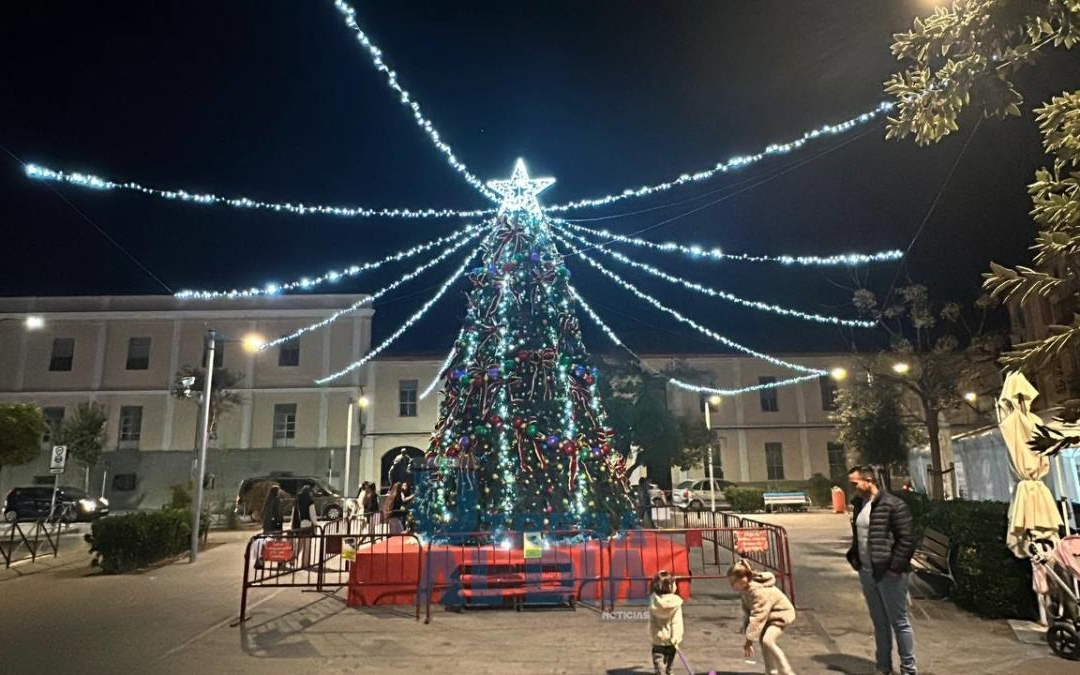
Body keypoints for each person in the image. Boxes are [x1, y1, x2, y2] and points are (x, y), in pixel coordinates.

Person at [846, 465, 917, 675]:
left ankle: (908, 669)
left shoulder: (893, 505)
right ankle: (883, 666)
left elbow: (907, 539)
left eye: (855, 482)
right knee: (879, 622)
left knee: (899, 621)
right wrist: (855, 558)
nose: (853, 487)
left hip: (889, 572)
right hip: (867, 571)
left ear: (868, 480)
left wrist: (894, 567)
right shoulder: (860, 504)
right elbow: (860, 535)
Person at [727, 559, 796, 675]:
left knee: (767, 641)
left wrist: (749, 640)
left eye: (733, 582)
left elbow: (758, 616)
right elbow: (748, 612)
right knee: (763, 643)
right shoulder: (746, 591)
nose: (731, 585)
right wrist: (747, 633)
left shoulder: (758, 592)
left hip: (781, 614)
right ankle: (770, 671)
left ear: (743, 579)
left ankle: (786, 671)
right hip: (768, 615)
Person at [648, 570, 683, 675]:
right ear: (670, 587)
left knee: (658, 656)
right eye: (674, 583)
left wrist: (653, 635)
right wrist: (676, 637)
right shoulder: (675, 603)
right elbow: (676, 622)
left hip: (658, 638)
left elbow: (652, 621)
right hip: (671, 639)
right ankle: (668, 671)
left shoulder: (653, 601)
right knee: (670, 657)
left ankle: (660, 672)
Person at [255, 484, 283, 570]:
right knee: (277, 544)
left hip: (267, 526)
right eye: (279, 490)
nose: (280, 492)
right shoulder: (277, 501)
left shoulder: (268, 501)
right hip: (275, 526)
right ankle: (279, 561)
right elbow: (278, 513)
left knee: (265, 544)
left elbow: (264, 514)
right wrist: (278, 523)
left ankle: (260, 561)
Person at [291, 484, 319, 567]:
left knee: (299, 543)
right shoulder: (310, 500)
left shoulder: (297, 499)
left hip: (298, 524)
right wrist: (316, 524)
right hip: (307, 524)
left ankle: (292, 558)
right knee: (307, 545)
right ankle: (305, 564)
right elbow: (312, 515)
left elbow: (294, 513)